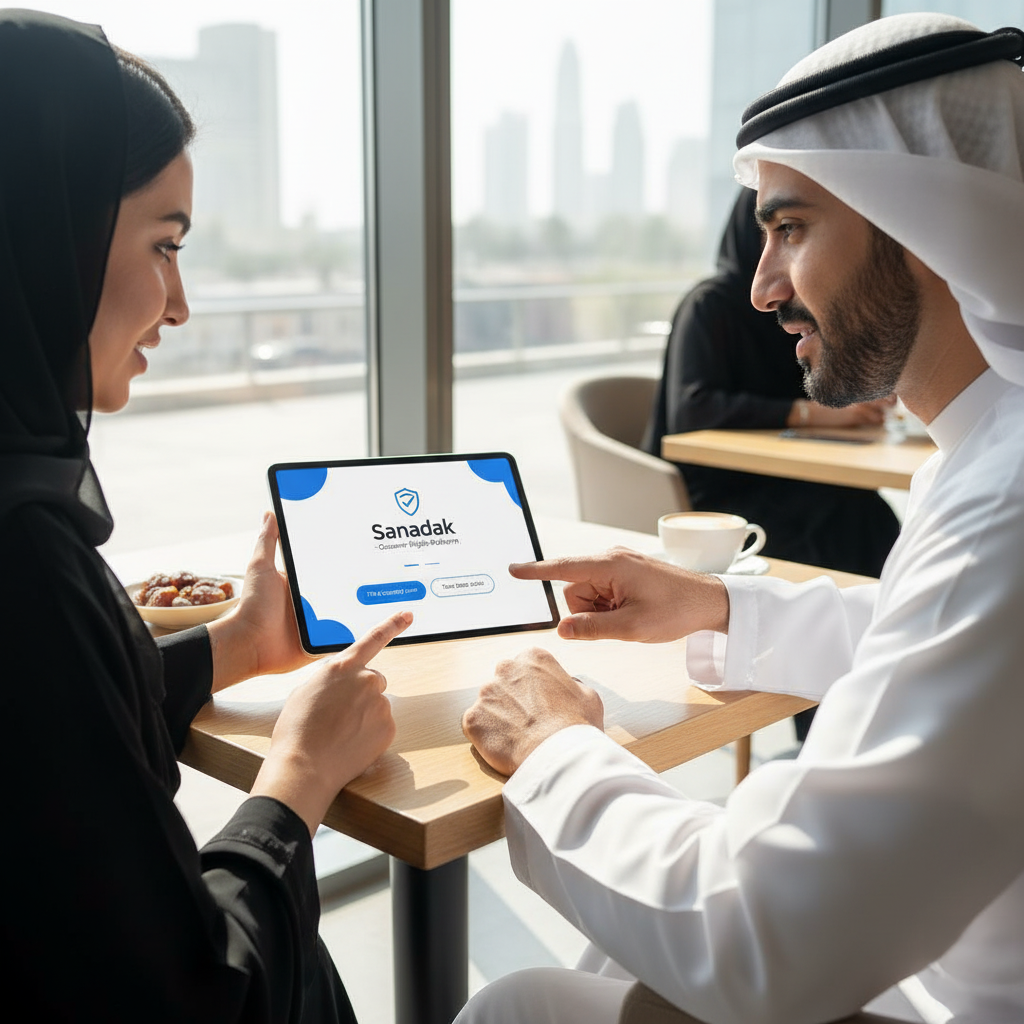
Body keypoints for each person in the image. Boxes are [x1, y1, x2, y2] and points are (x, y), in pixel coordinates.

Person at [457, 13, 1024, 1024]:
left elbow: (770, 944)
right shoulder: (987, 452)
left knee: (522, 1005)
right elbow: (942, 651)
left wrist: (554, 746)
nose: (762, 287)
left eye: (790, 227)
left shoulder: (1004, 502)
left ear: (920, 223)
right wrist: (719, 605)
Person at [0, 12, 408, 1020]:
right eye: (163, 245)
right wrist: (295, 785)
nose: (179, 306)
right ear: (47, 231)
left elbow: (51, 743)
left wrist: (233, 646)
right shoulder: (22, 562)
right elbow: (194, 999)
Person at [642, 187, 900, 580]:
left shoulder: (801, 306)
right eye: (775, 230)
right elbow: (692, 410)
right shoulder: (710, 304)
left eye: (792, 231)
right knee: (837, 517)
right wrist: (807, 413)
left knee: (862, 505)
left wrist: (861, 393)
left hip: (790, 475)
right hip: (719, 490)